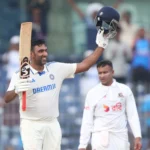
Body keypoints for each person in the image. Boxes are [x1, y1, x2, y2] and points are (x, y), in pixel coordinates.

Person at [78, 60, 142, 150]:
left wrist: (137, 136)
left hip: (120, 137)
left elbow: (132, 115)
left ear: (112, 72)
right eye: (100, 73)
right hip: (99, 138)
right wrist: (82, 145)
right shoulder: (92, 93)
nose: (102, 75)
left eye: (105, 72)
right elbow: (87, 120)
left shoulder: (125, 90)